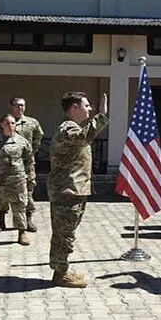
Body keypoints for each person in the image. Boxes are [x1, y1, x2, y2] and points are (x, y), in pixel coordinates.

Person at [49, 91, 108, 288]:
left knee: (66, 231)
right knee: (64, 233)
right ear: (74, 108)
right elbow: (85, 136)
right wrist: (102, 115)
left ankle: (62, 268)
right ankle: (60, 273)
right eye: (87, 105)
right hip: (67, 191)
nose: (89, 108)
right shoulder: (68, 128)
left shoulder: (72, 127)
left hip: (75, 189)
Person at [0, 114, 35, 246]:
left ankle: (21, 233)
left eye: (13, 123)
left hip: (17, 180)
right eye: (7, 123)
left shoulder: (22, 141)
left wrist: (26, 175)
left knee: (19, 206)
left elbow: (29, 160)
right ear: (2, 125)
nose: (11, 126)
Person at [0, 97, 45, 233]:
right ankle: (1, 219)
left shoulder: (32, 122)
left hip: (26, 165)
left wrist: (30, 153)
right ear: (11, 107)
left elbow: (38, 138)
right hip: (5, 166)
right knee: (3, 192)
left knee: (28, 192)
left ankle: (28, 218)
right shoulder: (3, 121)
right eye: (17, 106)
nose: (20, 108)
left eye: (22, 105)